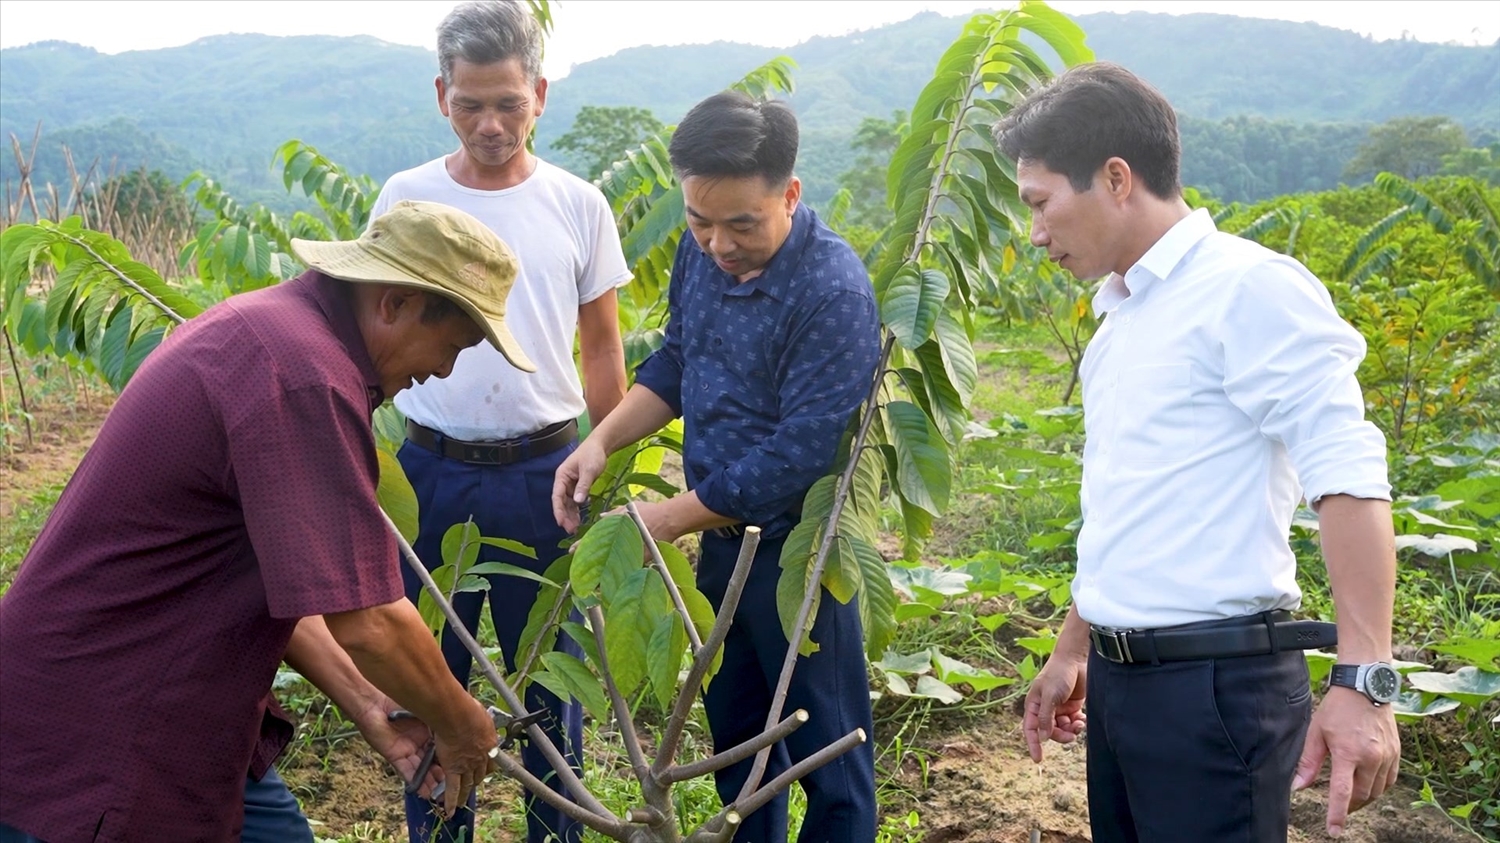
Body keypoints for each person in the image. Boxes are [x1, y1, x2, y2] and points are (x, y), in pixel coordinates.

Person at [0, 200, 535, 841]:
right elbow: (368, 621)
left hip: (173, 697)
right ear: (394, 303)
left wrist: (371, 705)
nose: (443, 370)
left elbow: (288, 578)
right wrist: (463, 725)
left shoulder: (276, 330)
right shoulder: (301, 374)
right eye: (452, 345)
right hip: (106, 714)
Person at [995, 62, 1402, 842]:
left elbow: (1347, 476)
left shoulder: (1248, 289)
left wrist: (1364, 678)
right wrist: (1075, 647)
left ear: (1116, 178)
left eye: (1041, 204)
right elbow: (1128, 504)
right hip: (1123, 687)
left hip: (1215, 692)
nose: (1037, 232)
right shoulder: (1122, 317)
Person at [552, 90, 882, 843]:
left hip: (801, 557)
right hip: (722, 546)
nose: (718, 244)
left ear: (790, 194)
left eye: (741, 224)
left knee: (830, 761)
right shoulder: (700, 259)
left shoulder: (831, 292)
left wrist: (666, 517)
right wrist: (601, 438)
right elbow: (676, 359)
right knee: (738, 747)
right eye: (699, 220)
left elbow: (797, 455)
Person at [369, 2, 631, 841]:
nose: (490, 123)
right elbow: (372, 331)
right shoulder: (406, 199)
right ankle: (440, 830)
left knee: (548, 679)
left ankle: (557, 828)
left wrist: (608, 462)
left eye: (508, 103)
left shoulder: (578, 203)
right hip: (429, 471)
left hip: (545, 472)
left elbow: (601, 349)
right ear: (441, 93)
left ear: (541, 95)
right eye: (469, 103)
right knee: (429, 675)